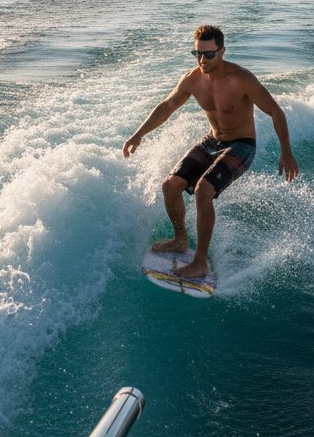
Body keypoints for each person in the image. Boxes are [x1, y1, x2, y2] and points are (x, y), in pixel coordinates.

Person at [122, 25, 299, 279]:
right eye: (197, 54)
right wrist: (138, 134)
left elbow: (275, 111)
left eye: (209, 54)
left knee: (204, 190)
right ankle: (180, 240)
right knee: (170, 186)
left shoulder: (241, 79)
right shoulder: (192, 79)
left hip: (241, 145)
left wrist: (287, 152)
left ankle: (200, 262)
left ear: (222, 51)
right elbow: (166, 106)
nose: (202, 60)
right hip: (212, 141)